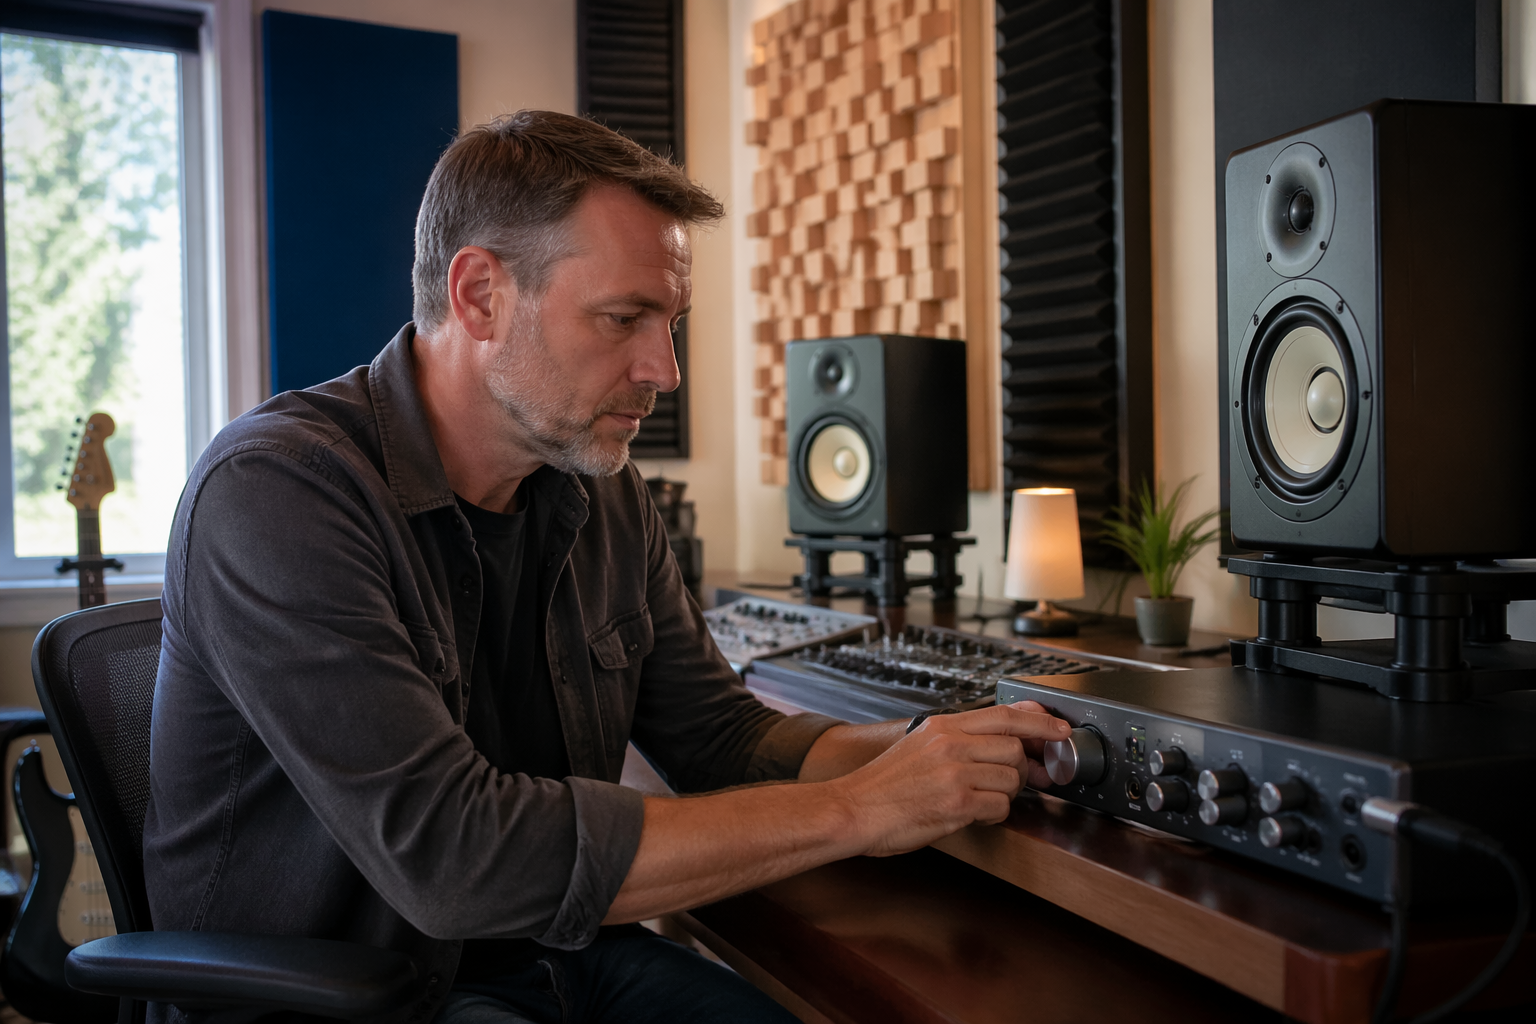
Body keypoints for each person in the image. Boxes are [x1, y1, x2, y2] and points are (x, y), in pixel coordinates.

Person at [144, 110, 1068, 1024]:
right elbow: (455, 858)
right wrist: (859, 810)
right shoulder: (277, 492)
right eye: (624, 318)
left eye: (670, 323)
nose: (664, 370)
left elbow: (718, 738)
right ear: (479, 297)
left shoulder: (600, 487)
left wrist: (934, 750)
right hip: (368, 996)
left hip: (557, 955)